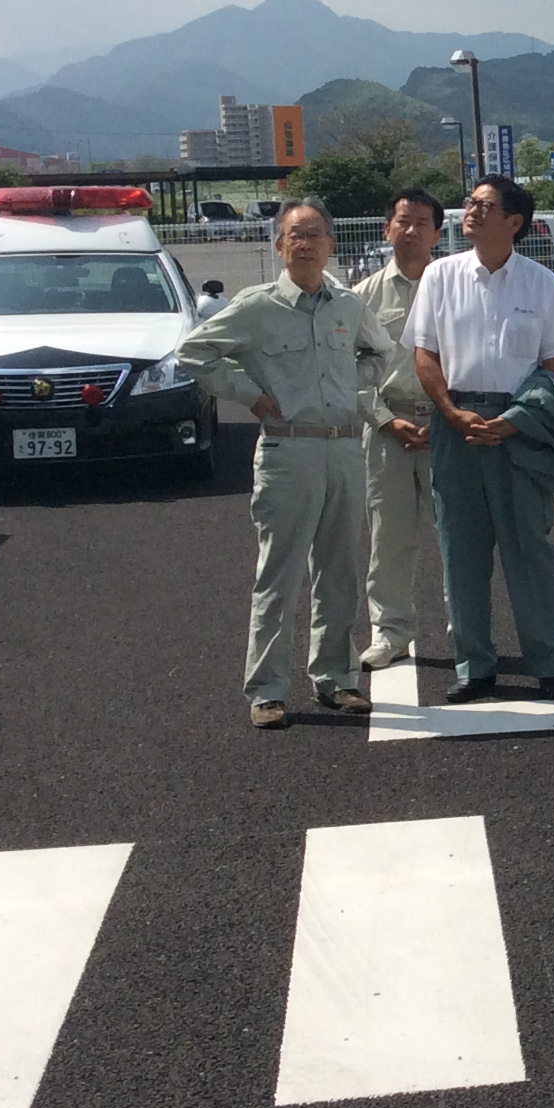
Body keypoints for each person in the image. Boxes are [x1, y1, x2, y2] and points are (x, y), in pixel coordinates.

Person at [179, 198, 395, 729]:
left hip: (345, 446)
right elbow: (193, 353)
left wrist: (351, 384)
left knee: (340, 569)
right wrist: (248, 393)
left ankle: (338, 679)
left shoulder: (347, 304)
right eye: (295, 235)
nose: (305, 243)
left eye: (315, 234)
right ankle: (268, 689)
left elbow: (382, 353)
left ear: (331, 245)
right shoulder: (256, 306)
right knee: (279, 573)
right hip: (287, 449)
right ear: (279, 245)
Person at [405, 175, 554, 701]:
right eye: (470, 203)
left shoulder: (541, 284)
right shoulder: (440, 276)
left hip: (518, 426)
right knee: (462, 552)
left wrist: (518, 420)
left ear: (514, 223)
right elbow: (425, 352)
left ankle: (548, 662)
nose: (471, 211)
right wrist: (451, 412)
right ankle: (474, 666)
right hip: (455, 424)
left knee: (529, 548)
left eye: (484, 205)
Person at [353, 187, 443, 669]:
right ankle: (390, 632)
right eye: (402, 221)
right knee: (388, 537)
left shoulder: (453, 284)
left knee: (458, 534)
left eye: (422, 223)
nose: (410, 230)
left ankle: (466, 629)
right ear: (387, 228)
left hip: (447, 427)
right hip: (386, 428)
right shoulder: (363, 296)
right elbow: (347, 371)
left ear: (437, 232)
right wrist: (386, 420)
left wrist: (448, 414)